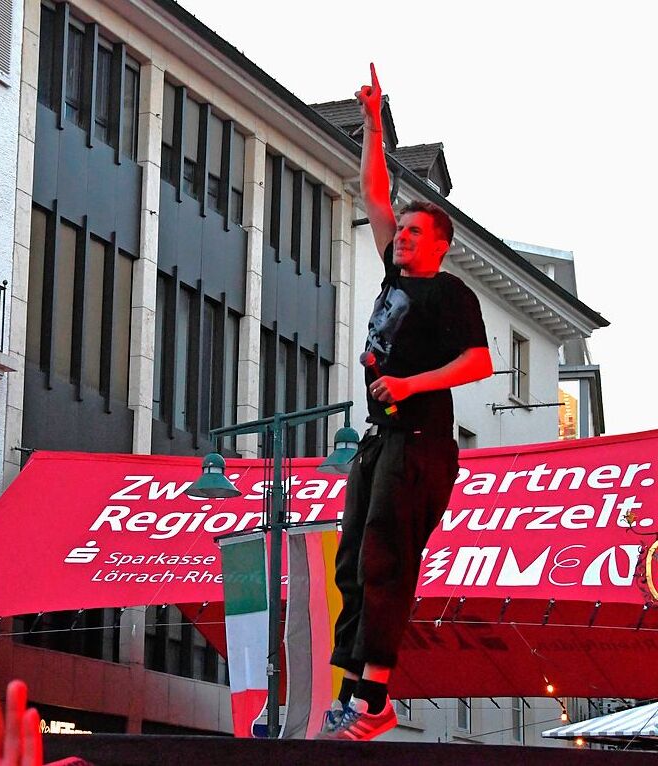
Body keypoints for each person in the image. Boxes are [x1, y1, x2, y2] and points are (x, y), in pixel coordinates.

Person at [320, 63, 492, 741]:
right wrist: (370, 122)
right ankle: (355, 693)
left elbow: (479, 362)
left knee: (387, 556)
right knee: (352, 559)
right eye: (403, 233)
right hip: (381, 438)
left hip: (422, 443)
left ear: (441, 245)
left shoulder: (451, 295)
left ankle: (375, 702)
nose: (403, 239)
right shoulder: (396, 272)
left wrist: (413, 384)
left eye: (417, 234)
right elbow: (372, 190)